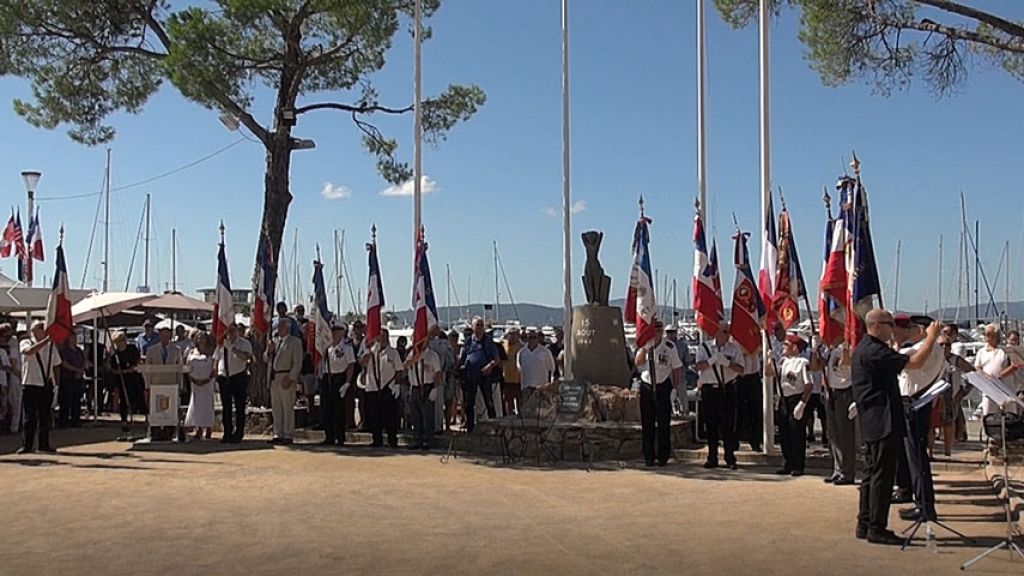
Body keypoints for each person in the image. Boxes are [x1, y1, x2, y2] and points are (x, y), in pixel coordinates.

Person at [853, 309, 941, 545]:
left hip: (874, 420)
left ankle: (865, 522)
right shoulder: (874, 351)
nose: (893, 328)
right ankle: (876, 527)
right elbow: (915, 362)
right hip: (883, 421)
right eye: (889, 324)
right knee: (882, 476)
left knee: (871, 475)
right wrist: (931, 338)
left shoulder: (866, 347)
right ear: (877, 326)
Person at [695, 322, 743, 469]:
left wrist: (727, 363)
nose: (727, 335)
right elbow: (698, 366)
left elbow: (741, 368)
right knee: (711, 426)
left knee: (727, 426)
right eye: (724, 332)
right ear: (716, 332)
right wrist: (711, 360)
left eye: (729, 332)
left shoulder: (734, 349)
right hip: (709, 389)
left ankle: (730, 458)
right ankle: (712, 458)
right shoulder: (704, 348)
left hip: (726, 388)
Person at [635, 320, 683, 467]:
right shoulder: (645, 344)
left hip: (663, 386)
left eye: (659, 329)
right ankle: (648, 456)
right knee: (647, 423)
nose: (658, 331)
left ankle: (663, 456)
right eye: (655, 329)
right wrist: (645, 348)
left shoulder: (669, 347)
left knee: (663, 423)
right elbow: (637, 362)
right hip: (647, 385)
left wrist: (674, 389)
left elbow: (676, 369)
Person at [18, 322, 61, 454]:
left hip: (45, 384)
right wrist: (46, 341)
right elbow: (29, 352)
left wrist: (56, 384)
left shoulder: (51, 346)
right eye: (40, 328)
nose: (43, 330)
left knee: (45, 416)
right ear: (33, 330)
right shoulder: (26, 342)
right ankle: (27, 445)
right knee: (30, 417)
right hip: (31, 383)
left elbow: (56, 364)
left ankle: (43, 444)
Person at [774, 333, 812, 476]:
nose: (783, 347)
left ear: (795, 348)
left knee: (797, 434)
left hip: (796, 399)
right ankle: (787, 463)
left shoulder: (803, 363)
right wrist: (768, 358)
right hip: (783, 399)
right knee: (784, 433)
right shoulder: (783, 362)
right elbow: (768, 372)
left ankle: (798, 465)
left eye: (786, 345)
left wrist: (802, 403)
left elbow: (808, 385)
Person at [360, 328, 403, 447]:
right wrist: (367, 352)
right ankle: (377, 440)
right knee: (374, 416)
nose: (382, 338)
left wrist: (396, 384)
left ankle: (392, 440)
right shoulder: (372, 352)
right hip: (373, 387)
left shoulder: (393, 352)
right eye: (380, 336)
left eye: (384, 336)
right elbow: (362, 363)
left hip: (388, 386)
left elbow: (399, 370)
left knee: (390, 416)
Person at [264, 318, 303, 445]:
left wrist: (291, 378)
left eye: (281, 326)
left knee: (287, 407)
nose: (279, 329)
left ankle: (288, 434)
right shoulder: (274, 342)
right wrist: (268, 350)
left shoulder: (295, 342)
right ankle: (278, 433)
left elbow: (297, 362)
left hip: (286, 376)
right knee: (276, 407)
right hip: (274, 377)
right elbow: (265, 358)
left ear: (287, 328)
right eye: (278, 326)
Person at [458, 317, 500, 432]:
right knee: (469, 403)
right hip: (470, 375)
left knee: (489, 402)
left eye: (481, 325)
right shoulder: (468, 342)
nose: (480, 327)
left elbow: (497, 359)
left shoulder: (488, 342)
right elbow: (462, 358)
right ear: (472, 327)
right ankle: (470, 428)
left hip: (484, 375)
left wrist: (490, 366)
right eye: (477, 325)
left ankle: (494, 428)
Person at [823, 342, 857, 485]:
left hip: (845, 391)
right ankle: (837, 469)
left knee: (845, 434)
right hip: (831, 391)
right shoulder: (830, 349)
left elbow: (846, 363)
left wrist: (845, 348)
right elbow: (817, 366)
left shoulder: (848, 346)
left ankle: (848, 472)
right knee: (833, 434)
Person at [214, 323, 253, 443]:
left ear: (237, 331)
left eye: (232, 330)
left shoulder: (244, 343)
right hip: (224, 378)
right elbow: (216, 359)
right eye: (228, 330)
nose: (230, 333)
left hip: (238, 376)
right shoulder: (222, 344)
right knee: (226, 407)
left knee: (239, 407)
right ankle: (227, 433)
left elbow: (246, 357)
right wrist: (215, 372)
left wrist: (233, 349)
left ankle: (238, 433)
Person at [320, 323, 355, 446]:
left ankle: (340, 437)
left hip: (340, 377)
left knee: (339, 410)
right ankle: (329, 436)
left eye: (336, 331)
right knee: (327, 409)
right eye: (333, 331)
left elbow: (351, 365)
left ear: (342, 333)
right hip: (327, 377)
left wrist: (347, 383)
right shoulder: (327, 348)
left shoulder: (347, 348)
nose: (334, 333)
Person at [405, 339, 442, 450]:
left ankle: (428, 440)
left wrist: (435, 388)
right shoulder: (412, 354)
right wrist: (414, 357)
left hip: (427, 387)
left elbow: (438, 373)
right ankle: (417, 439)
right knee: (416, 416)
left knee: (427, 416)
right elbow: (405, 365)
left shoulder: (432, 355)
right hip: (415, 387)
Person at [107, 330, 145, 436]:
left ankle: (144, 416)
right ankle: (124, 420)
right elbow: (113, 369)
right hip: (123, 379)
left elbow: (137, 361)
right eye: (119, 341)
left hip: (135, 378)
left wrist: (132, 368)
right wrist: (122, 371)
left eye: (123, 340)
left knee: (138, 397)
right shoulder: (116, 356)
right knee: (124, 399)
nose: (122, 342)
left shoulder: (132, 349)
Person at [184, 332, 216, 440]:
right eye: (199, 338)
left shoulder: (211, 352)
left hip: (207, 383)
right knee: (196, 406)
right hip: (195, 383)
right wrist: (193, 379)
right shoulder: (191, 352)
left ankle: (208, 428)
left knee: (207, 405)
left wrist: (208, 379)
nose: (201, 340)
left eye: (203, 338)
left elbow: (214, 369)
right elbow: (187, 368)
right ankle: (199, 429)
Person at [735, 348, 764, 452]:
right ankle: (735, 441)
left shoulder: (754, 339)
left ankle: (755, 441)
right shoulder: (735, 340)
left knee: (756, 410)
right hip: (740, 377)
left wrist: (753, 349)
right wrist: (746, 351)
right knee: (738, 411)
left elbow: (760, 349)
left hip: (754, 376)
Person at [517, 329, 555, 404]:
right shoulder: (521, 352)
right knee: (527, 407)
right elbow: (519, 368)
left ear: (538, 339)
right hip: (526, 386)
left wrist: (549, 385)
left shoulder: (545, 351)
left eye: (535, 337)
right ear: (527, 338)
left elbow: (551, 367)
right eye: (530, 337)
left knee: (541, 407)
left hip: (541, 386)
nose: (532, 339)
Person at [57, 332, 87, 428]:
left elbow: (83, 360)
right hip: (67, 378)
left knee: (76, 399)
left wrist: (81, 370)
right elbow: (64, 363)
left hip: (78, 378)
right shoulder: (64, 351)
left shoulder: (78, 350)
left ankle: (75, 420)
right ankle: (64, 421)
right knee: (66, 400)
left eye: (75, 337)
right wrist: (76, 370)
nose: (74, 339)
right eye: (72, 337)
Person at [2, 323, 23, 435]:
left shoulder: (13, 346)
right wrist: (19, 376)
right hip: (14, 377)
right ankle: (13, 427)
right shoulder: (13, 348)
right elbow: (13, 365)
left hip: (13, 376)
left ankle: (15, 426)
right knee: (13, 402)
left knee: (14, 403)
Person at [501, 329, 523, 416]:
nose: (512, 336)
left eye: (514, 334)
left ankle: (520, 417)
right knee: (507, 399)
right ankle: (509, 417)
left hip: (518, 378)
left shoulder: (521, 347)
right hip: (506, 378)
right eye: (510, 334)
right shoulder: (504, 345)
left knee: (519, 400)